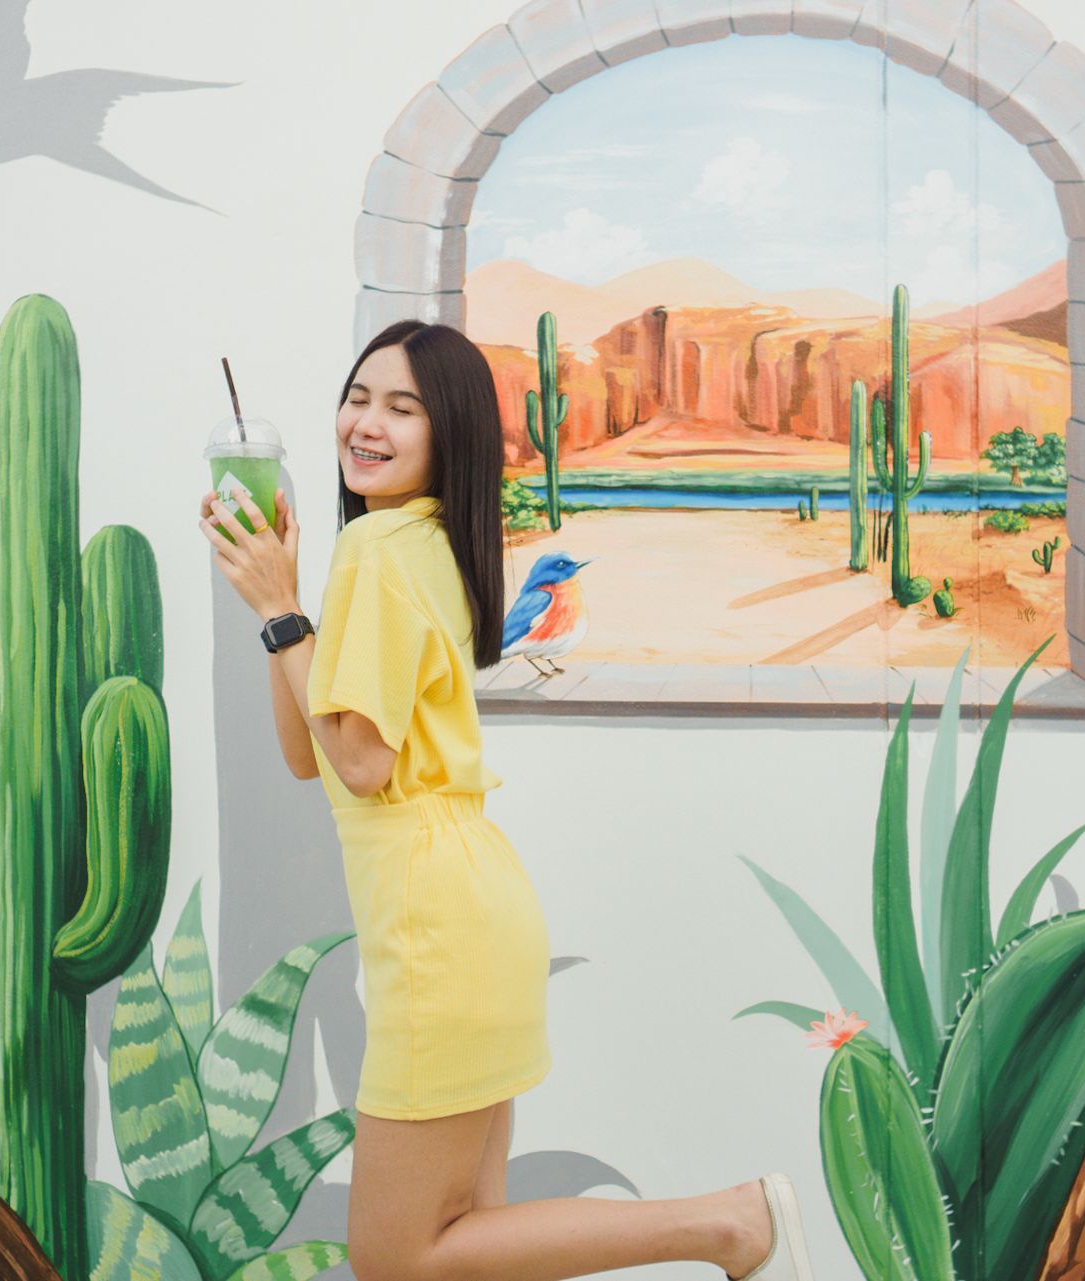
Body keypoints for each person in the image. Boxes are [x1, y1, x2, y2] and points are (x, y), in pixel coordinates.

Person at [195, 320, 814, 1281]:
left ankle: (726, 1223)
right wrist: (280, 603)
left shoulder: (380, 551)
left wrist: (283, 609)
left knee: (396, 1257)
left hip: (435, 925)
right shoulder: (416, 543)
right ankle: (724, 1223)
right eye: (358, 397)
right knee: (471, 1242)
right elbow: (307, 753)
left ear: (449, 434)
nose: (367, 423)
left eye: (402, 408)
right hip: (468, 906)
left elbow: (359, 763)